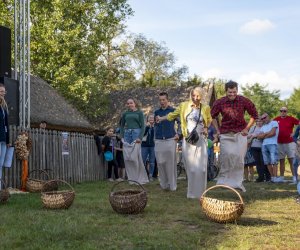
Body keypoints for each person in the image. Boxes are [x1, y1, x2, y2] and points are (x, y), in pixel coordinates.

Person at [156, 87, 212, 198]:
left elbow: (209, 120)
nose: (195, 98)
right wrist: (161, 118)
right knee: (191, 168)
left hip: (200, 140)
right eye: (193, 95)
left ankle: (201, 192)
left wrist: (206, 128)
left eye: (198, 96)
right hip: (188, 140)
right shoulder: (184, 106)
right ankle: (192, 193)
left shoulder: (205, 108)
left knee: (201, 168)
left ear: (202, 96)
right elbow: (172, 115)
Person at [211, 80, 258, 192]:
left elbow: (254, 115)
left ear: (237, 90)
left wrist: (247, 128)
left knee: (239, 159)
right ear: (226, 91)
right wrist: (217, 130)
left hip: (240, 133)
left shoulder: (243, 100)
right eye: (230, 92)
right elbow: (212, 116)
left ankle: (237, 184)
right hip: (226, 133)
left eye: (234, 92)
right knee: (226, 157)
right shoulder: (219, 102)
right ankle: (223, 182)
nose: (232, 94)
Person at [154, 92, 180, 191]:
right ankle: (164, 185)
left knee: (170, 163)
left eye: (163, 100)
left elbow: (180, 122)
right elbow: (156, 124)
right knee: (160, 163)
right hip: (159, 139)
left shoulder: (173, 111)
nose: (162, 102)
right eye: (160, 100)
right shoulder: (157, 112)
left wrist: (179, 133)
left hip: (170, 139)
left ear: (167, 100)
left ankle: (172, 186)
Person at [119, 98, 148, 184]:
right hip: (127, 135)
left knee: (136, 157)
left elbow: (143, 126)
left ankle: (139, 178)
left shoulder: (139, 113)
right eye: (128, 103)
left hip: (136, 134)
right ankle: (131, 179)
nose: (129, 105)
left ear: (135, 103)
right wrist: (122, 136)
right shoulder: (125, 113)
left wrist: (140, 137)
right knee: (128, 158)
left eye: (131, 103)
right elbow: (121, 125)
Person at [273, 107, 299, 183]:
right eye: (281, 111)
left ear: (287, 111)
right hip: (279, 142)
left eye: (284, 111)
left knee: (291, 160)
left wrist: (295, 133)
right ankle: (281, 177)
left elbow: (299, 123)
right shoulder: (276, 119)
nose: (283, 112)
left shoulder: (291, 118)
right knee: (281, 160)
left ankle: (295, 177)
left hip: (290, 142)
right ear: (280, 111)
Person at [257, 113, 279, 182]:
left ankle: (275, 178)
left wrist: (264, 135)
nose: (264, 119)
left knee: (274, 161)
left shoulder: (274, 122)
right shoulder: (263, 126)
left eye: (265, 117)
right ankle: (272, 178)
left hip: (273, 144)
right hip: (264, 145)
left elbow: (273, 133)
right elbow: (258, 137)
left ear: (268, 116)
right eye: (262, 118)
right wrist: (267, 133)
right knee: (267, 162)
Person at [0, 83, 9, 190]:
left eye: (4, 91)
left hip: (3, 139)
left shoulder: (4, 107)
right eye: (1, 91)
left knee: (1, 164)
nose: (3, 93)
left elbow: (6, 125)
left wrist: (7, 141)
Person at [141, 114, 156, 180]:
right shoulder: (144, 126)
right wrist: (147, 127)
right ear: (147, 119)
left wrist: (152, 127)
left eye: (152, 118)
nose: (151, 119)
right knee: (143, 161)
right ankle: (143, 175)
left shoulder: (156, 126)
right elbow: (142, 134)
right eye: (150, 118)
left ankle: (150, 175)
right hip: (144, 146)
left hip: (153, 146)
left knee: (152, 162)